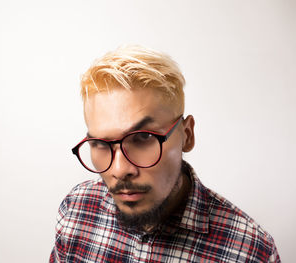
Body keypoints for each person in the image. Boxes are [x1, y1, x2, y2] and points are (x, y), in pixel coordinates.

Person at [49, 46, 280, 262]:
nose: (119, 170)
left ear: (187, 135)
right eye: (100, 143)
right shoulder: (76, 210)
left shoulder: (251, 251)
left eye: (143, 138)